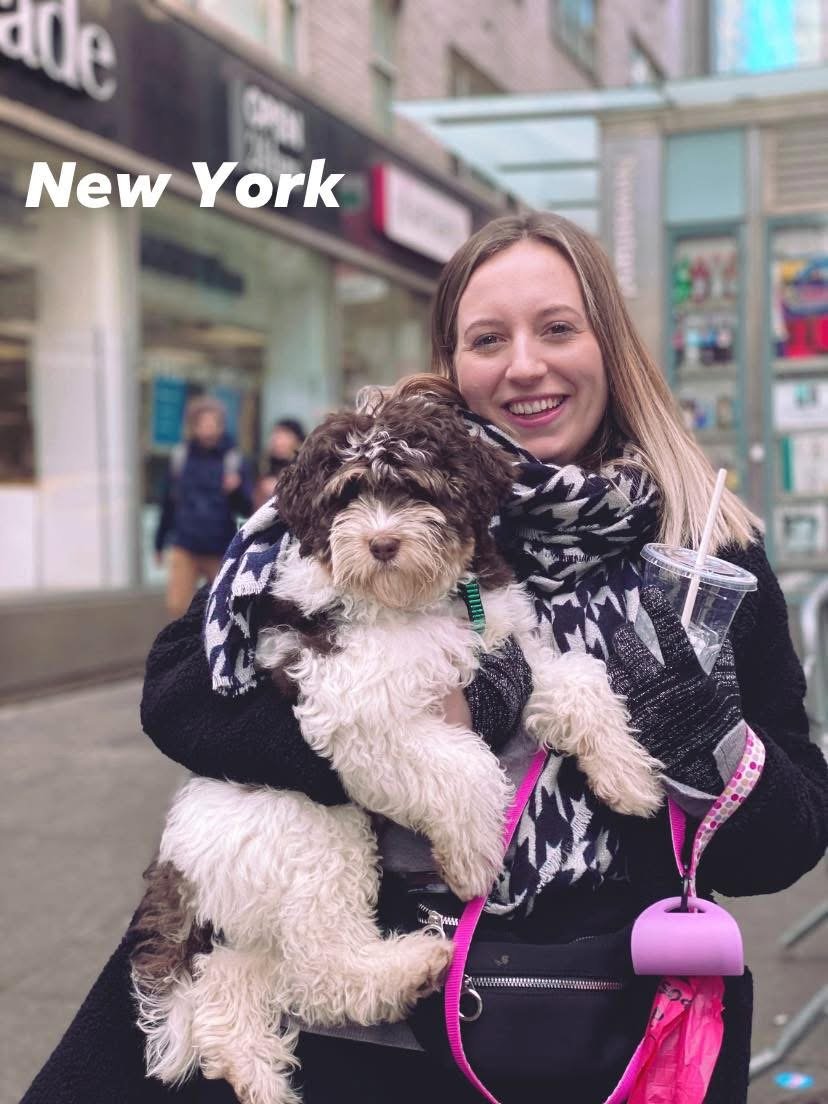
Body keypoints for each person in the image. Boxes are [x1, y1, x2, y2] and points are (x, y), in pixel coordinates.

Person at [24, 213, 828, 1104]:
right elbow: (180, 694)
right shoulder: (362, 487)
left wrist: (704, 740)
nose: (525, 364)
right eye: (488, 338)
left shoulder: (708, 548)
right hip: (322, 1032)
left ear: (612, 343)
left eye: (558, 328)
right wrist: (395, 740)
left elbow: (787, 842)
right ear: (453, 360)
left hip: (573, 1026)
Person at [154, 396, 254, 619]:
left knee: (222, 608)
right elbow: (168, 503)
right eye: (203, 422)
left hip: (219, 546)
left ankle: (212, 650)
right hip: (185, 544)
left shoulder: (233, 459)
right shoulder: (181, 457)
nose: (208, 428)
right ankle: (182, 652)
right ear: (193, 426)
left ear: (221, 425)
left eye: (213, 422)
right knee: (177, 607)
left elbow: (247, 509)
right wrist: (159, 543)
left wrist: (236, 489)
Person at [253, 417, 306, 510]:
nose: (277, 441)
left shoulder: (305, 468)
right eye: (276, 435)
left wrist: (280, 489)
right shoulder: (264, 465)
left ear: (298, 441)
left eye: (284, 436)